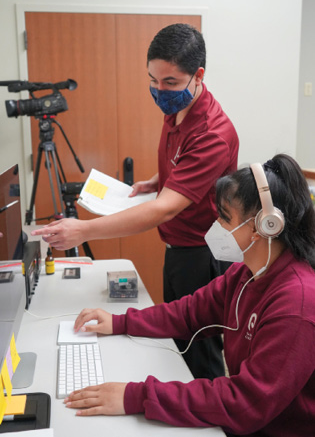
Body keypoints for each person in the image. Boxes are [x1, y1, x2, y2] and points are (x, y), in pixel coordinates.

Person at [31, 23, 239, 380]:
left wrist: (85, 230)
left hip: (201, 256)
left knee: (199, 354)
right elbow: (183, 163)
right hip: (176, 249)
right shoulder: (177, 108)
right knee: (177, 341)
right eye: (153, 80)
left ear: (198, 75)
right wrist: (158, 180)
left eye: (169, 82)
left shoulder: (214, 134)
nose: (159, 91)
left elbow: (165, 209)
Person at [63, 154, 315, 437]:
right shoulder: (247, 273)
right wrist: (120, 322)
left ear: (264, 226)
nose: (216, 225)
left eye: (225, 217)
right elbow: (189, 312)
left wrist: (135, 397)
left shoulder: (296, 304)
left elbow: (245, 403)